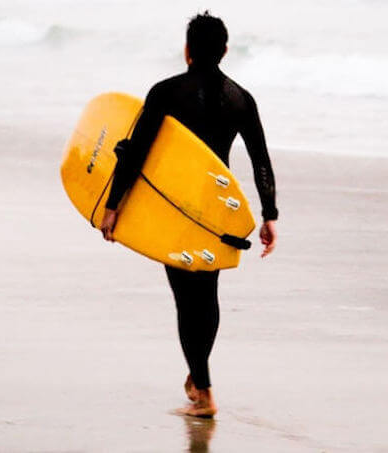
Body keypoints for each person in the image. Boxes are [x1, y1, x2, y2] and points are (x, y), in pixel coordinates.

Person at [99, 11, 278, 417]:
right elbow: (260, 160)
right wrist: (269, 214)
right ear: (225, 51)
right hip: (215, 209)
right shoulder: (241, 99)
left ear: (187, 50)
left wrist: (112, 206)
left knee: (185, 300)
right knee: (207, 296)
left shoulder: (165, 92)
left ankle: (204, 391)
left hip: (174, 207)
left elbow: (136, 149)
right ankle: (198, 378)